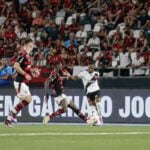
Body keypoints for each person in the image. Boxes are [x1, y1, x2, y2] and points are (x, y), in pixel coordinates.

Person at [4, 38, 40, 128]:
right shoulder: (23, 54)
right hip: (20, 82)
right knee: (29, 99)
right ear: (25, 46)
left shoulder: (27, 56)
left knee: (23, 101)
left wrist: (32, 71)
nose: (31, 48)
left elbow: (25, 68)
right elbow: (16, 66)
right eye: (30, 46)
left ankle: (11, 118)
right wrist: (25, 74)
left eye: (32, 47)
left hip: (23, 82)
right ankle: (10, 116)